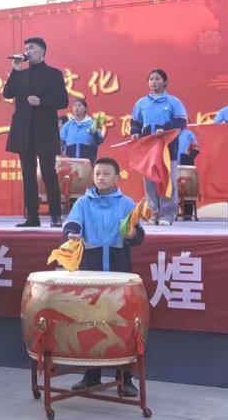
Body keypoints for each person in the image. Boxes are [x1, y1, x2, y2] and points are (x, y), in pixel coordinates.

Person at [63, 157, 143, 396]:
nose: (101, 177)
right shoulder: (82, 203)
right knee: (90, 323)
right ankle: (91, 376)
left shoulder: (127, 204)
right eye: (98, 173)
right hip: (91, 268)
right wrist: (73, 235)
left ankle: (125, 379)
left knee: (122, 324)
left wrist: (131, 234)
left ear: (117, 178)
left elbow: (138, 235)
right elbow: (71, 225)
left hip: (120, 269)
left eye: (106, 174)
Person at [4, 37, 70, 228]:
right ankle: (32, 216)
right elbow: (7, 93)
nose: (27, 51)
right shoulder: (21, 74)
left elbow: (63, 101)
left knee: (48, 171)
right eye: (26, 48)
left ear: (42, 51)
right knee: (28, 173)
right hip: (24, 130)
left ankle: (55, 214)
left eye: (31, 48)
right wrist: (15, 70)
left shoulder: (54, 74)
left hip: (45, 130)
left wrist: (42, 102)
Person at [130, 69, 187, 226]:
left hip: (167, 146)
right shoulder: (141, 103)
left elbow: (181, 122)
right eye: (151, 79)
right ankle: (153, 213)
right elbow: (135, 122)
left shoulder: (173, 102)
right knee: (149, 180)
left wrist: (165, 128)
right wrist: (135, 132)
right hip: (147, 146)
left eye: (157, 79)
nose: (153, 82)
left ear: (165, 82)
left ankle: (167, 215)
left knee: (167, 181)